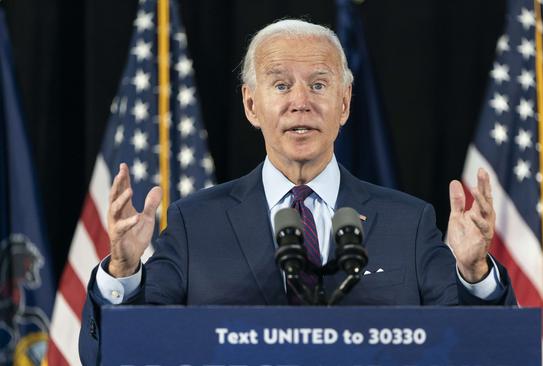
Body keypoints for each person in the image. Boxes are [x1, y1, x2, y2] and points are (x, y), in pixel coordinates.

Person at [79, 19, 516, 363]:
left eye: (319, 84)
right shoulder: (197, 222)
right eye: (281, 84)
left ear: (344, 103)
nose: (300, 101)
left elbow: (479, 351)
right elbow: (118, 354)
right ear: (252, 104)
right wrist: (122, 272)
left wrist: (475, 274)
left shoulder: (408, 222)